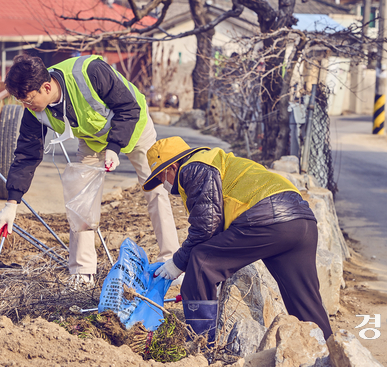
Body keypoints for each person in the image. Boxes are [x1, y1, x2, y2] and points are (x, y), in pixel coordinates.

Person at [0, 54, 179, 286]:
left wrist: (115, 146)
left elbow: (128, 107)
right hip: (93, 141)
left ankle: (171, 262)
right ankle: (82, 272)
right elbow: (27, 153)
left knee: (156, 191)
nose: (26, 106)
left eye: (29, 100)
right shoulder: (34, 109)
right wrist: (12, 203)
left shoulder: (90, 72)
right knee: (80, 199)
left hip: (135, 127)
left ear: (46, 86)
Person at [143, 136, 333, 342]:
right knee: (305, 301)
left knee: (200, 262)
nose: (164, 183)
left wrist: (177, 263)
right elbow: (217, 231)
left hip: (270, 220)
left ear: (172, 166)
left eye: (162, 176)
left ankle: (200, 344)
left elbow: (206, 228)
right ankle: (332, 354)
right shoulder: (214, 160)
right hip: (300, 220)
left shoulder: (193, 168)